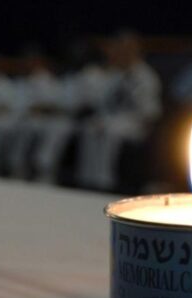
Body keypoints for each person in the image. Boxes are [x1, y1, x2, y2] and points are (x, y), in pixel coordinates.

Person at [72, 31, 162, 190]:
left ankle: (106, 180)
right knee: (90, 127)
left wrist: (147, 128)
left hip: (135, 122)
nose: (121, 54)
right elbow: (103, 103)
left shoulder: (146, 76)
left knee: (109, 131)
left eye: (126, 50)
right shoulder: (115, 74)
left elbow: (148, 110)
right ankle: (88, 178)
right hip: (113, 118)